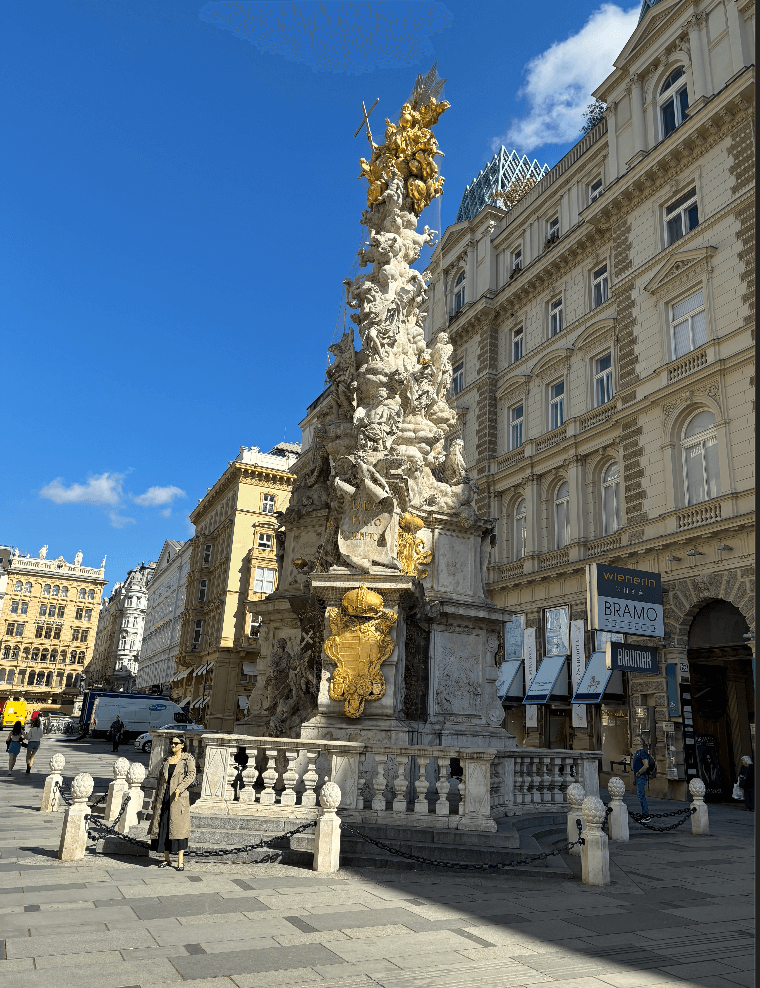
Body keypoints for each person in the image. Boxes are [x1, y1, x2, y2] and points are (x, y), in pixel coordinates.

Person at [147, 735, 196, 871]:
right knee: (164, 825)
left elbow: (191, 775)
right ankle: (166, 858)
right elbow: (160, 781)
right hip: (164, 795)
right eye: (171, 743)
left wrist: (180, 788)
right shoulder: (166, 759)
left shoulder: (187, 759)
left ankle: (180, 861)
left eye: (175, 743)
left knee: (179, 829)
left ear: (182, 745)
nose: (172, 745)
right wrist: (155, 800)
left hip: (178, 797)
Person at [632, 739, 652, 823]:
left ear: (641, 743)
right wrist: (634, 778)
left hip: (641, 776)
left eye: (637, 740)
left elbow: (646, 765)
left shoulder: (641, 752)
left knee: (641, 796)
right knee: (640, 795)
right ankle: (644, 814)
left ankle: (646, 815)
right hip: (638, 777)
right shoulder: (636, 752)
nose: (634, 741)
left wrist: (639, 773)